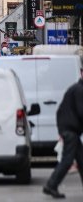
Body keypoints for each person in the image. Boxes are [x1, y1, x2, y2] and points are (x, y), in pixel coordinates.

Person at [44, 70, 83, 198]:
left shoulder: (74, 89)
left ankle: (51, 185)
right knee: (67, 160)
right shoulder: (79, 90)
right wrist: (63, 130)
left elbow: (59, 111)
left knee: (81, 160)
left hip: (70, 130)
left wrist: (61, 130)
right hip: (71, 131)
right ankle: (51, 185)